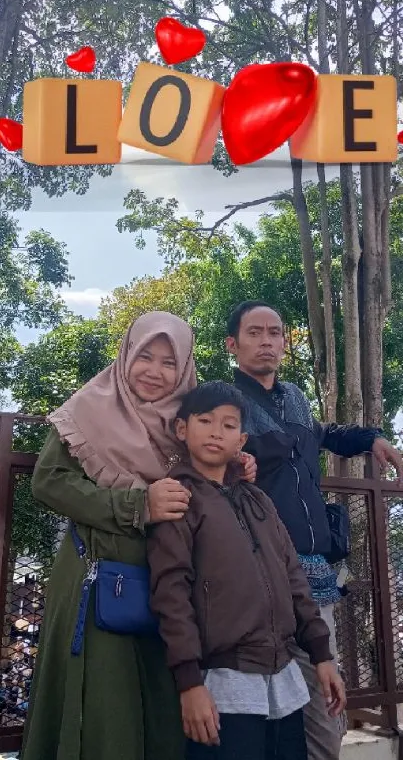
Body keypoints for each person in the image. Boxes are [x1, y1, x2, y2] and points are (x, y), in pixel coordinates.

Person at [21, 312, 256, 760]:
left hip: (172, 588)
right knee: (107, 715)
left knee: (165, 712)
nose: (154, 372)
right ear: (126, 354)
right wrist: (136, 505)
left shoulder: (187, 418)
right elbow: (48, 481)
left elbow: (211, 456)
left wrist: (236, 465)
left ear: (184, 367)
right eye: (145, 356)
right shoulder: (89, 409)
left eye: (169, 363)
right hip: (101, 582)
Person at [224, 300, 403, 760]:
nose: (267, 341)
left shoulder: (295, 398)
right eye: (255, 333)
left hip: (312, 574)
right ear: (233, 344)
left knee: (324, 705)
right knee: (261, 706)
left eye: (275, 333)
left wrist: (372, 438)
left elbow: (324, 433)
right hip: (252, 571)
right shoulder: (224, 402)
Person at [147, 380, 346, 760]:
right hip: (223, 682)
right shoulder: (177, 497)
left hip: (283, 678)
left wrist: (322, 656)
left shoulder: (259, 501)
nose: (216, 432)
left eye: (228, 424)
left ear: (241, 439)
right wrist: (189, 683)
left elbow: (294, 582)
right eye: (205, 421)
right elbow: (170, 592)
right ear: (182, 429)